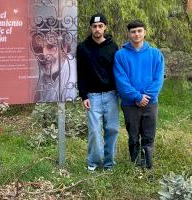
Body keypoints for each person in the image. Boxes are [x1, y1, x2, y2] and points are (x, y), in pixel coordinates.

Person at [114, 19, 164, 169]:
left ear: (145, 32)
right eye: (133, 31)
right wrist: (137, 97)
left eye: (139, 31)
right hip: (130, 104)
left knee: (148, 135)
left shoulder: (156, 54)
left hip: (150, 102)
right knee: (134, 135)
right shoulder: (121, 55)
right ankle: (136, 165)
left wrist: (146, 97)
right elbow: (121, 80)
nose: (137, 34)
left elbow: (158, 78)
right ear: (129, 34)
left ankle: (148, 166)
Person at [77, 13, 119, 171]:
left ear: (105, 27)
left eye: (100, 26)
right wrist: (84, 95)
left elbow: (117, 71)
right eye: (94, 26)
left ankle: (109, 164)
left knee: (112, 129)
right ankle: (94, 162)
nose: (97, 29)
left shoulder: (112, 46)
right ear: (90, 28)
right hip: (92, 96)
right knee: (94, 131)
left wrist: (121, 91)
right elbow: (80, 73)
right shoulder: (83, 48)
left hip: (111, 94)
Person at [31, 18, 77, 102]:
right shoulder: (44, 78)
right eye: (38, 49)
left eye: (50, 47)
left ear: (64, 48)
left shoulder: (76, 76)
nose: (44, 55)